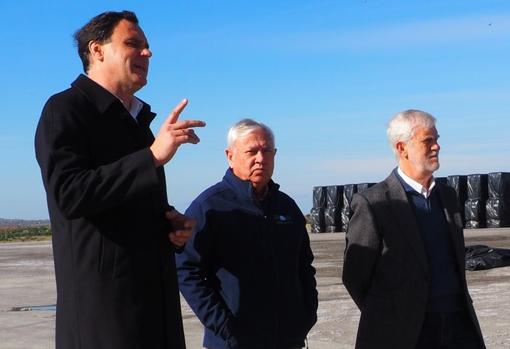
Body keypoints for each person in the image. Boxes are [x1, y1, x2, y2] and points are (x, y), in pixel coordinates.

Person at [35, 11, 205, 349]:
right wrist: (152, 156)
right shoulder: (65, 110)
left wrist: (172, 228)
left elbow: (124, 205)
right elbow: (69, 194)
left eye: (147, 47)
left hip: (157, 315)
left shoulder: (136, 122)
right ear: (97, 50)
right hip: (106, 322)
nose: (147, 53)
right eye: (133, 44)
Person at [342, 109, 485, 349]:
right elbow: (355, 276)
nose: (437, 146)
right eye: (428, 140)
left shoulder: (447, 197)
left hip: (457, 327)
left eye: (437, 139)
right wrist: (390, 311)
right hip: (403, 333)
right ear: (401, 148)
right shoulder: (374, 203)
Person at [176, 119, 318, 349]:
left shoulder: (287, 207)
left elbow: (304, 265)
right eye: (252, 151)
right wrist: (224, 326)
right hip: (234, 342)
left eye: (267, 151)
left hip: (288, 339)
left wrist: (307, 314)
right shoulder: (210, 207)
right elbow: (186, 270)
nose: (260, 159)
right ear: (230, 155)